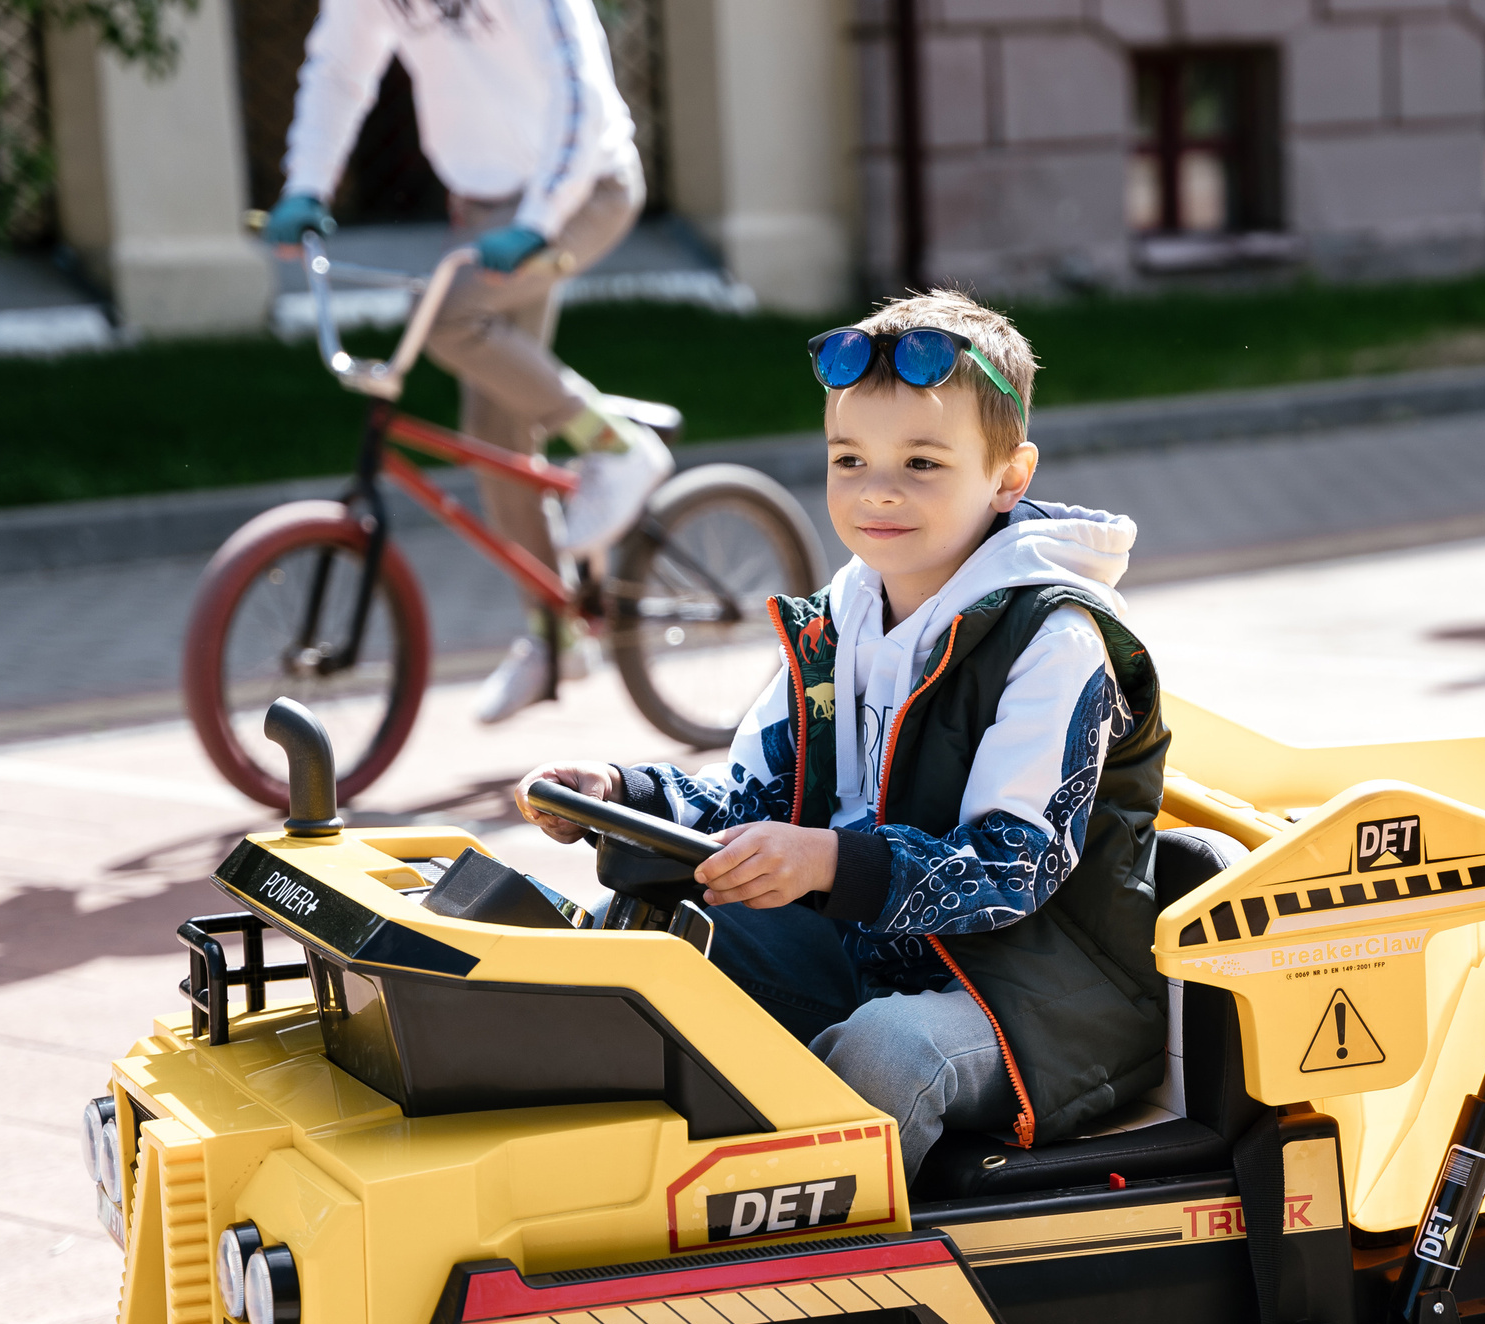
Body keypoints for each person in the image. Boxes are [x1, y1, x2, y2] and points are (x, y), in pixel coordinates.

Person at [514, 291, 1167, 1184]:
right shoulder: (842, 618)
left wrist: (827, 861)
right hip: (874, 949)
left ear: (1009, 477)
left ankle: (803, 1254)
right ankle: (597, 1188)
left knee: (888, 1051)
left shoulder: (1055, 639)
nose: (877, 490)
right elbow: (755, 802)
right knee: (643, 954)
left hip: (1035, 996)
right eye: (849, 459)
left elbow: (1011, 868)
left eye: (922, 463)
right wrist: (627, 793)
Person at [262, 0, 675, 725]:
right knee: (494, 431)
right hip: (485, 206)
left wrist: (538, 223)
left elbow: (579, 92)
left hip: (583, 187)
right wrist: (306, 185)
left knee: (450, 321)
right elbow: (339, 69)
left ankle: (617, 446)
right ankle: (556, 635)